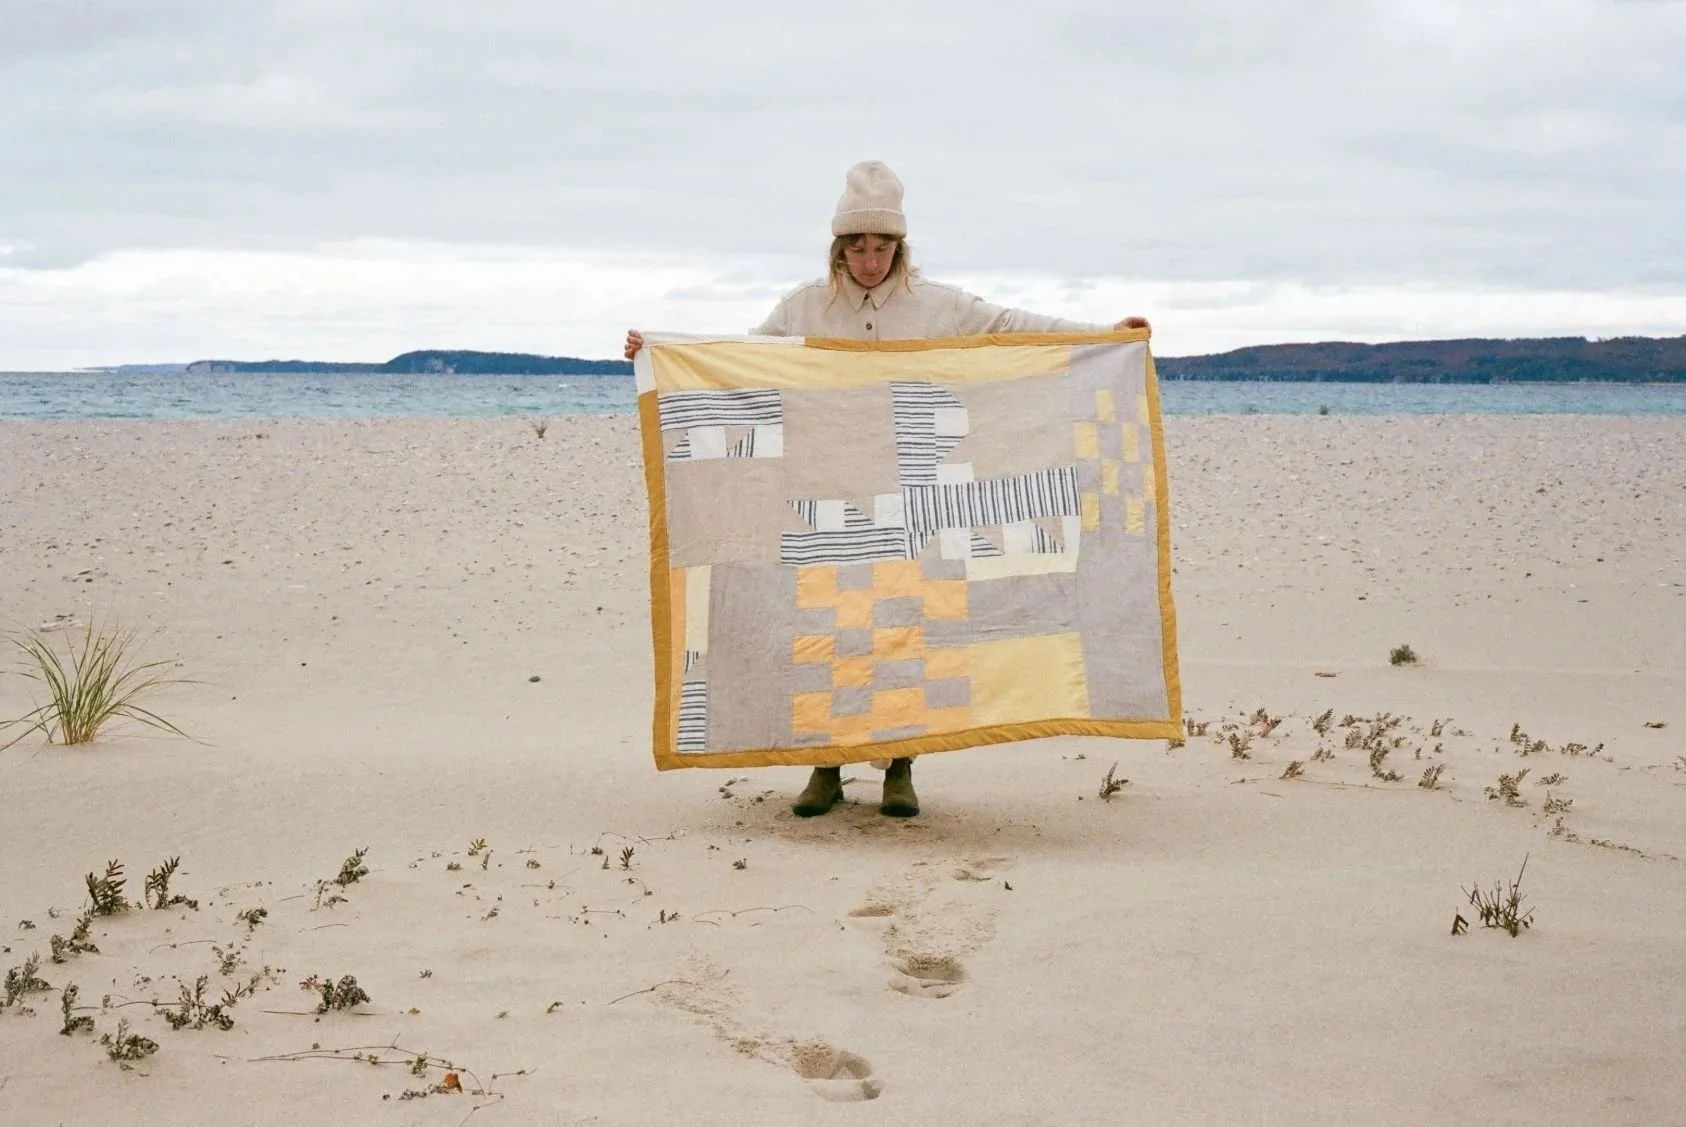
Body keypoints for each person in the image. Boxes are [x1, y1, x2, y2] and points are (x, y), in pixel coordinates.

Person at [625, 160, 1149, 819]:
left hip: (913, 490)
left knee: (907, 625)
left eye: (882, 247)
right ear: (838, 246)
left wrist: (1105, 337)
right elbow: (741, 359)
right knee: (821, 625)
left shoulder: (935, 305)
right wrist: (662, 352)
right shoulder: (806, 305)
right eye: (858, 247)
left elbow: (1011, 327)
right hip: (822, 488)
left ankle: (902, 764)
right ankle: (825, 765)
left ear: (900, 246)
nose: (870, 261)